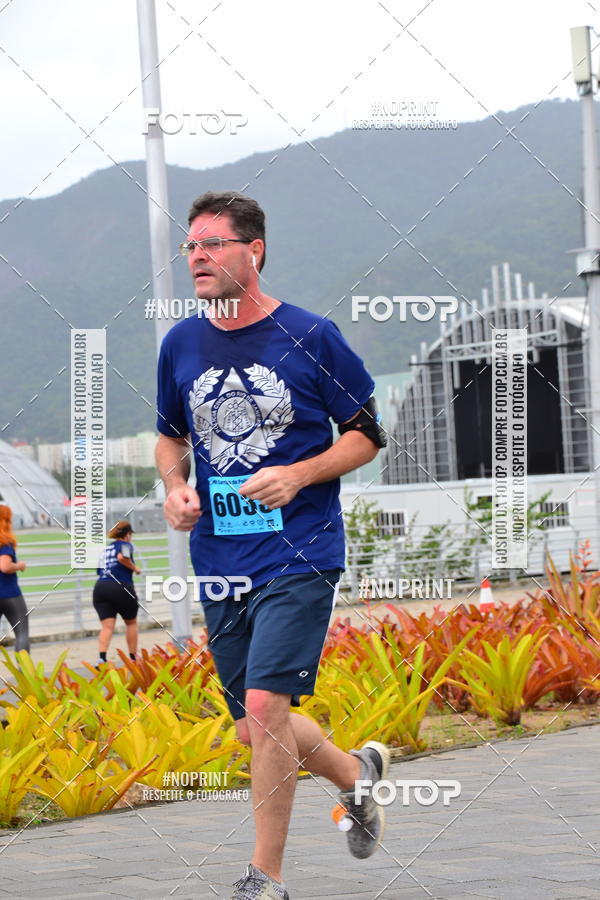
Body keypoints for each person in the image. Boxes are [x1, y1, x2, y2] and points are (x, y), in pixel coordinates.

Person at [156, 191, 390, 900]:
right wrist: (174, 486)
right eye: (191, 246)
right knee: (251, 727)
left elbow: (367, 434)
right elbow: (171, 437)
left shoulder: (312, 337)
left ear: (252, 251)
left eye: (212, 244)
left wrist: (299, 473)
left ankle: (267, 878)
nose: (197, 257)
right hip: (220, 560)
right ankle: (357, 776)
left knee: (264, 711)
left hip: (301, 552)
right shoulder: (180, 343)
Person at [93, 520, 140, 666]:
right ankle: (133, 658)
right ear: (127, 534)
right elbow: (122, 558)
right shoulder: (125, 545)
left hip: (100, 588)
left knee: (107, 626)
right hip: (121, 586)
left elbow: (99, 570)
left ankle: (101, 658)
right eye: (130, 534)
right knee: (131, 622)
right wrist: (135, 568)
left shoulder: (106, 550)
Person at [0, 504, 30, 653]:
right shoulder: (4, 541)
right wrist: (20, 566)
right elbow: (4, 566)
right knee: (22, 632)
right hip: (8, 593)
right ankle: (24, 673)